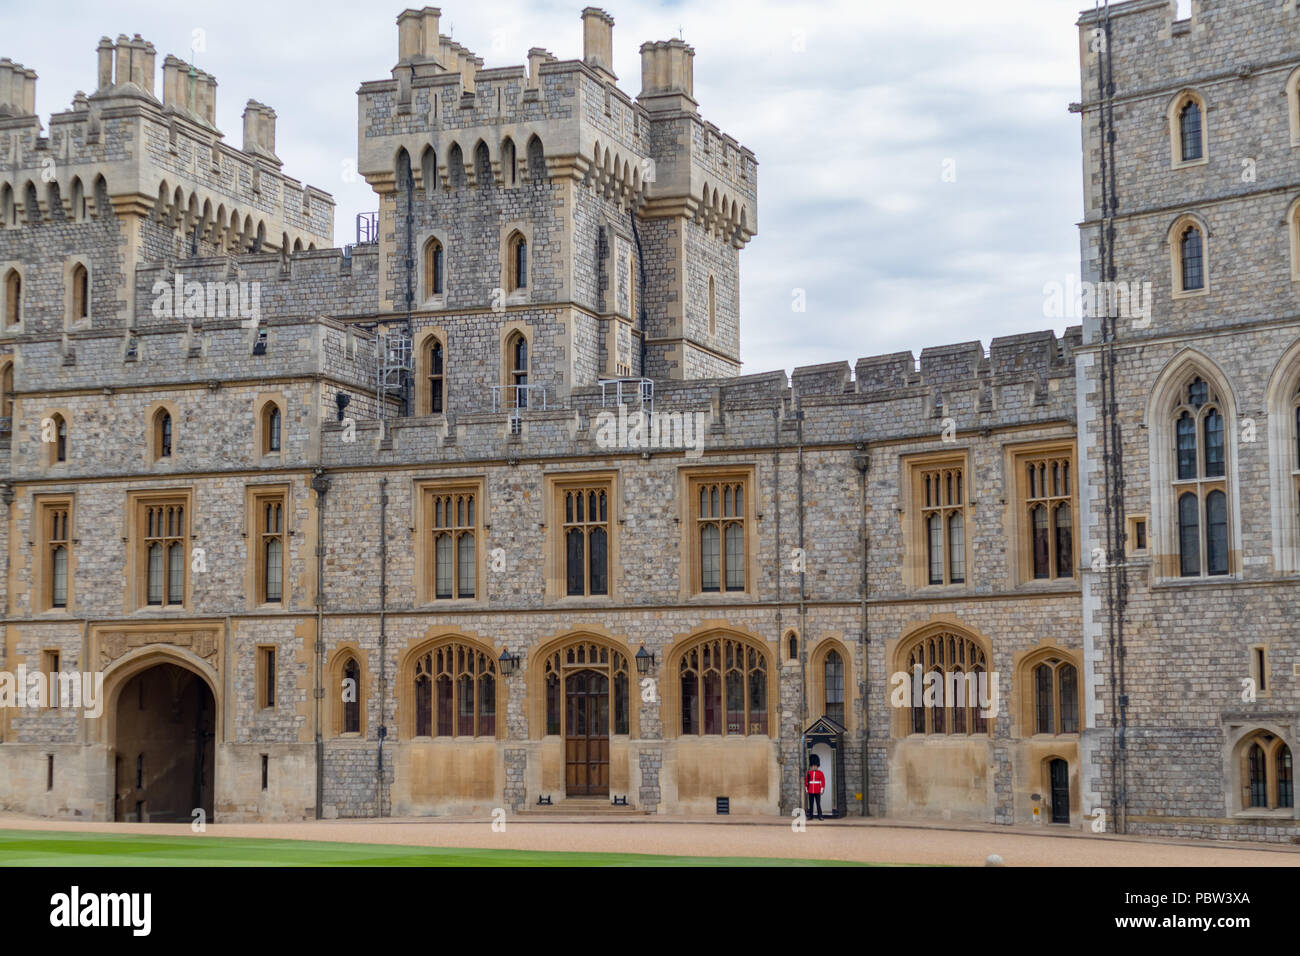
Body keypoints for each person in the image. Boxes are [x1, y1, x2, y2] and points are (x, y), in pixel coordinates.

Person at [805, 755, 826, 821]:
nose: (814, 767)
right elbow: (806, 781)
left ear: (817, 766)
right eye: (813, 766)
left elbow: (822, 781)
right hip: (810, 790)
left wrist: (822, 789)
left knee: (818, 804)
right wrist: (806, 788)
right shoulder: (809, 773)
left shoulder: (820, 773)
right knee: (811, 805)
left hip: (817, 791)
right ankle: (810, 816)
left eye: (815, 766)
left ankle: (820, 816)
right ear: (811, 766)